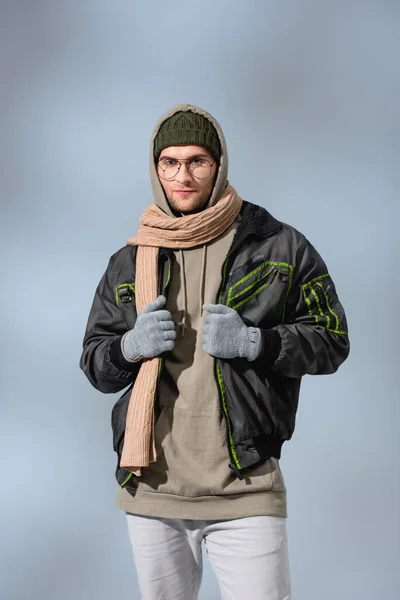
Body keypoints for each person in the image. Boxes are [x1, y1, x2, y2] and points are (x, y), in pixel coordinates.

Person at [80, 104, 350, 600]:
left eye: (197, 160)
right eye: (169, 162)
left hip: (246, 488)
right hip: (152, 490)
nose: (182, 175)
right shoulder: (131, 259)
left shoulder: (278, 246)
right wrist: (128, 347)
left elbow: (332, 339)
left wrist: (257, 342)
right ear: (156, 168)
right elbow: (96, 363)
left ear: (220, 164)